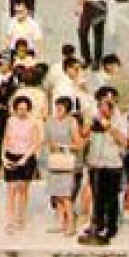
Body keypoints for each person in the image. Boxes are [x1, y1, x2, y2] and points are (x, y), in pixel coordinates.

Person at [80, 88, 127, 244]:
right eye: (101, 106)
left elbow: (123, 141)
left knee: (111, 198)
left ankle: (111, 227)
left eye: (106, 107)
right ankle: (98, 224)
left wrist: (109, 127)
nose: (103, 109)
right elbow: (83, 133)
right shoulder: (94, 118)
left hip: (113, 164)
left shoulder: (119, 120)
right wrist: (91, 121)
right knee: (97, 196)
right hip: (95, 163)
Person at [0, 95, 44, 234]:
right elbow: (5, 139)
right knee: (11, 189)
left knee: (23, 189)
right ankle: (10, 220)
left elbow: (36, 142)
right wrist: (3, 157)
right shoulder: (10, 121)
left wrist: (25, 158)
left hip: (26, 157)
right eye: (19, 109)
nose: (22, 111)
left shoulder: (33, 122)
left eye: (25, 109)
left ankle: (21, 217)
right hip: (12, 155)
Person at [45, 96, 84, 236]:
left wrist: (63, 146)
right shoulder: (50, 121)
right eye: (57, 107)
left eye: (61, 108)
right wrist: (52, 146)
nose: (58, 110)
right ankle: (61, 223)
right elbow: (47, 139)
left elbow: (79, 143)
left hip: (67, 160)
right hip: (55, 159)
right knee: (57, 194)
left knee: (66, 195)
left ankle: (71, 225)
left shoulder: (71, 122)